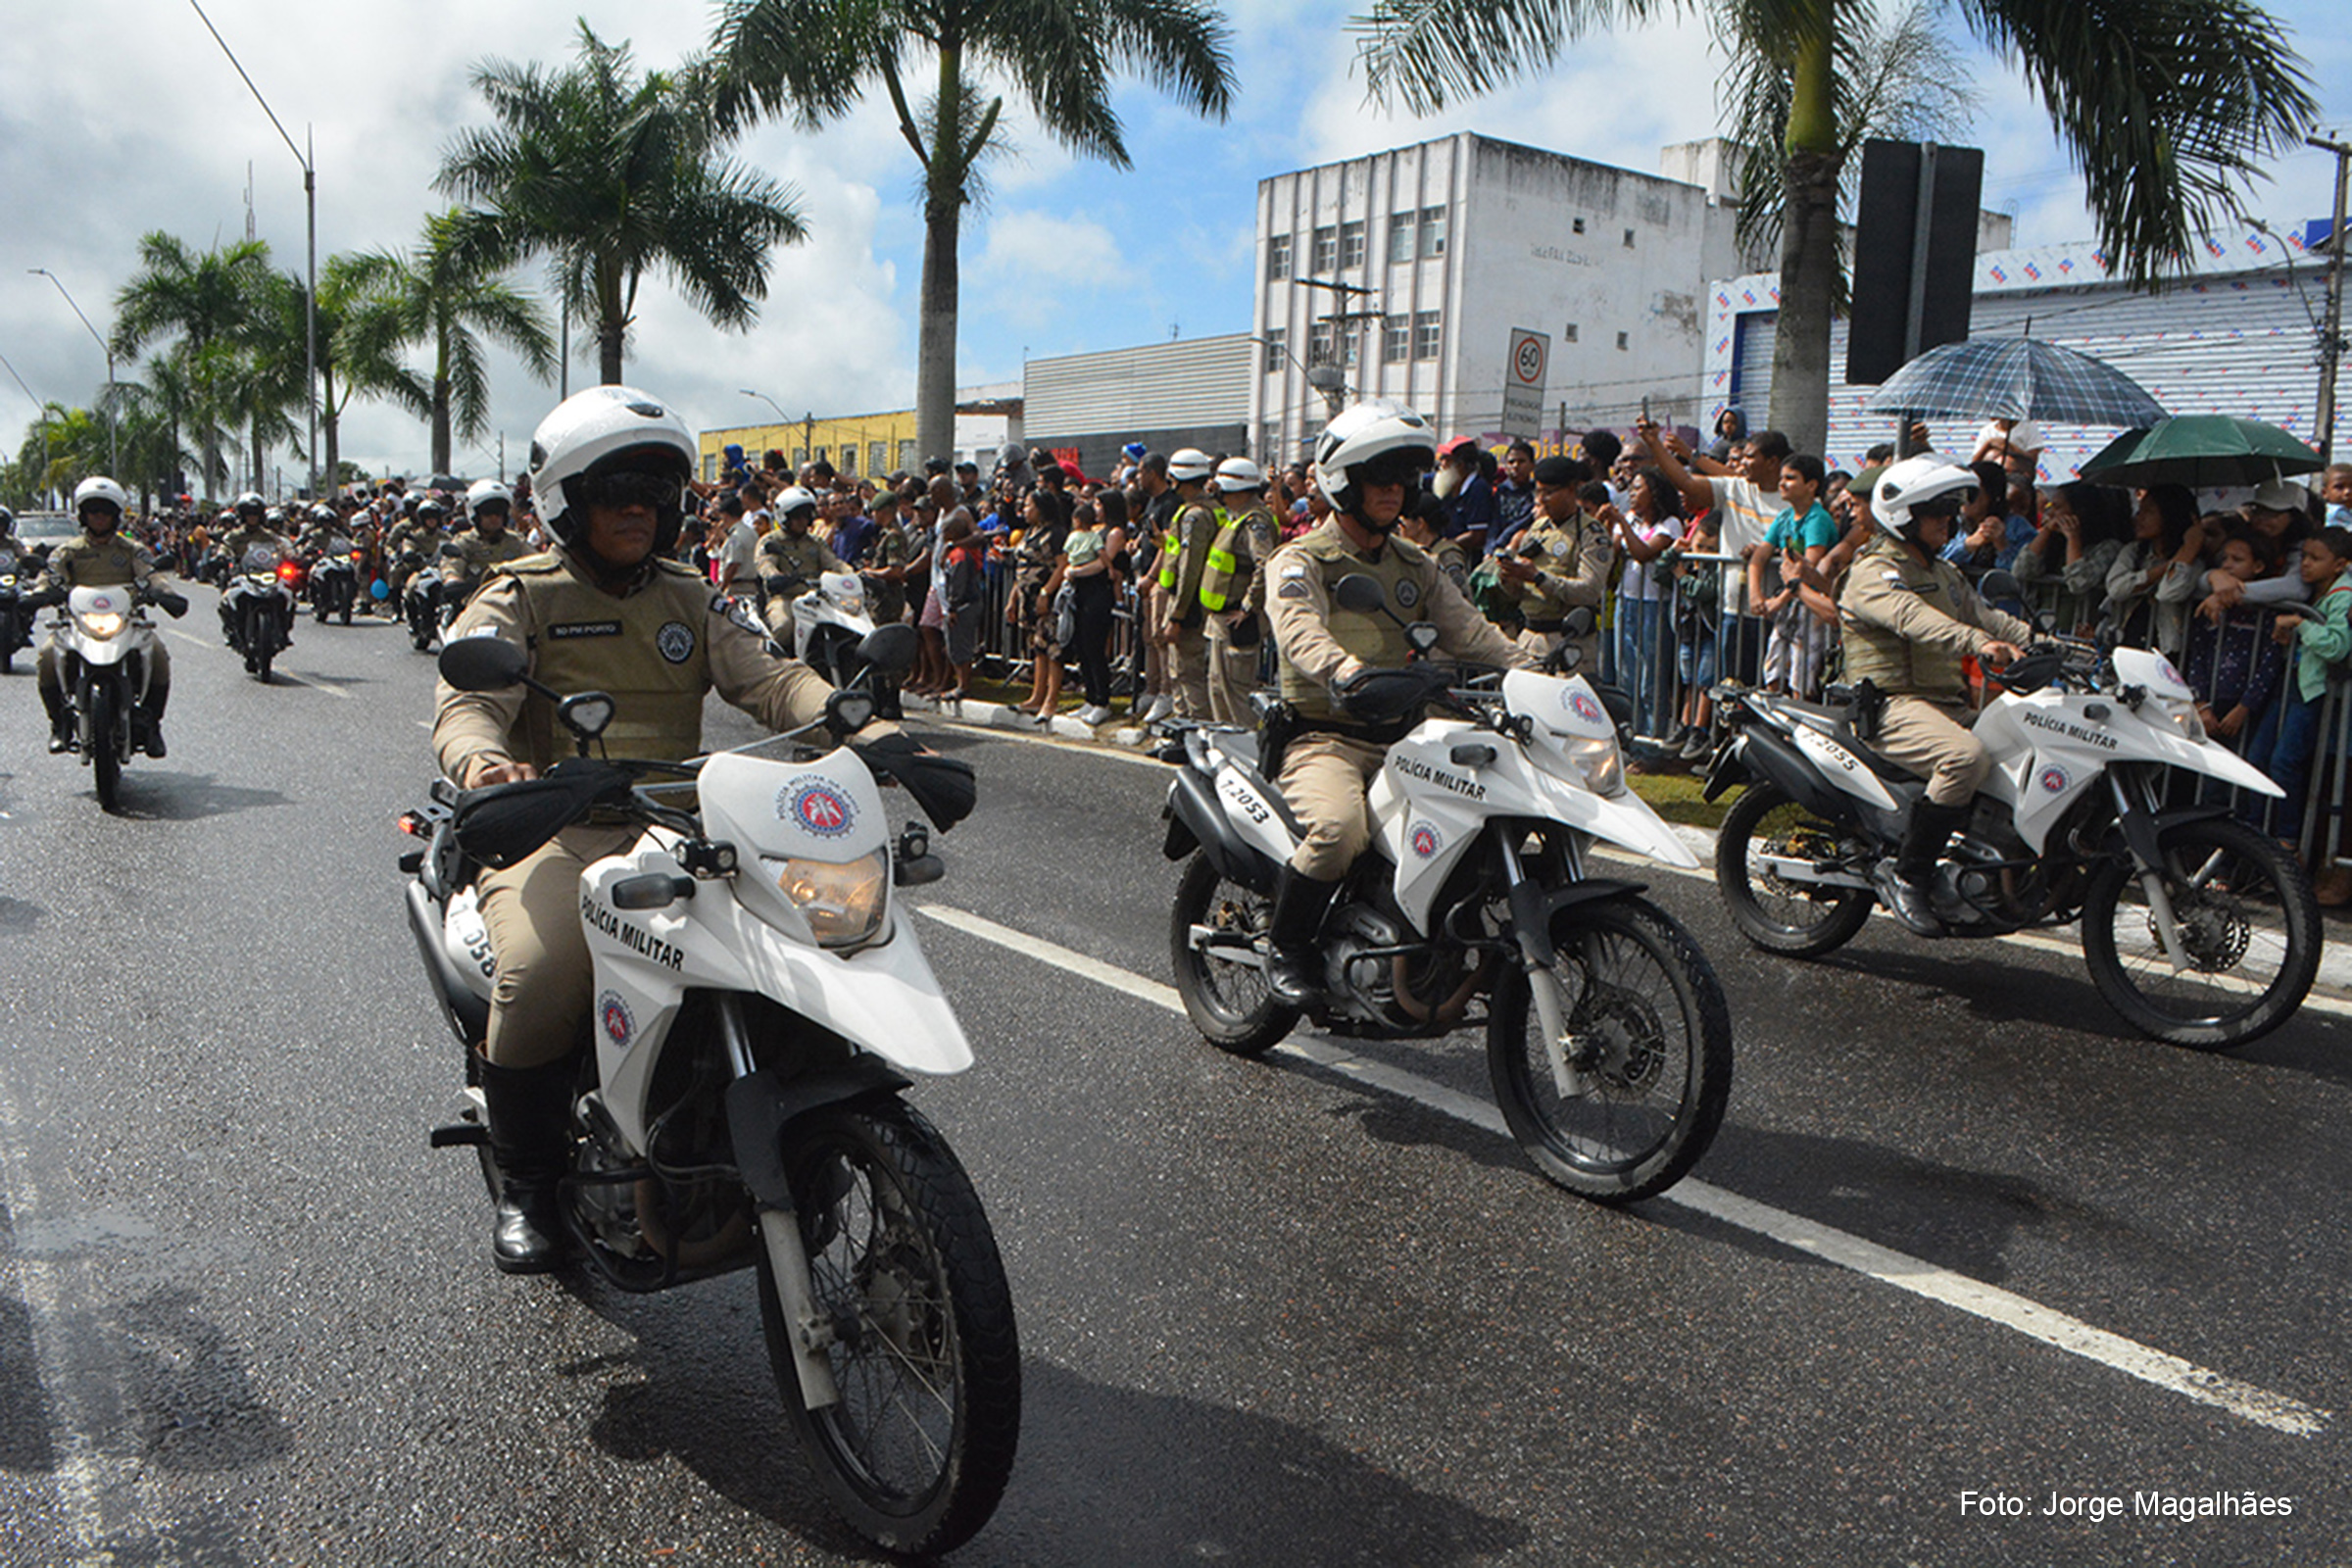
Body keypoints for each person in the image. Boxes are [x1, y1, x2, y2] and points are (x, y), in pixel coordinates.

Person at [432, 385, 844, 1273]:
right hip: (560, 827)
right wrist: (487, 765)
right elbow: (467, 704)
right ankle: (530, 1182)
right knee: (545, 975)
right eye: (618, 490)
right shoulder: (523, 595)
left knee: (814, 944)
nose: (639, 510)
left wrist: (856, 720)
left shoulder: (691, 598)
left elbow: (772, 682)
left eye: (656, 494)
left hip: (687, 828)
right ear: (566, 503)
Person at [1261, 401, 1533, 1005]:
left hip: (1409, 735)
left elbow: (1473, 634)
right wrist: (1347, 670)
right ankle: (1288, 947)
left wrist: (1539, 675)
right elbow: (1300, 631)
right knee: (1337, 833)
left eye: (1402, 476)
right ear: (1344, 482)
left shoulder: (1419, 564)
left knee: (1489, 811)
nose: (1394, 488)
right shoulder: (1301, 559)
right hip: (1325, 734)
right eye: (1379, 475)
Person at [1838, 455, 2034, 934]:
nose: (1949, 521)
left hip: (1945, 704)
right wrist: (1977, 643)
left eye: (1951, 511)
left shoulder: (1945, 573)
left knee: (2024, 747)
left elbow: (1988, 617)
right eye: (1937, 512)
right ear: (1904, 516)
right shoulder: (1875, 572)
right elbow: (1913, 618)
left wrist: (2049, 644)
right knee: (1964, 759)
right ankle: (1909, 875)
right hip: (1892, 705)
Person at [34, 476, 185, 757]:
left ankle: (153, 725)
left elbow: (151, 575)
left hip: (125, 622)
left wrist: (166, 594)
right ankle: (58, 724)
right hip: (79, 625)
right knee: (46, 656)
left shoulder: (131, 550)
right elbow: (50, 575)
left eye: (105, 511)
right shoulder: (69, 551)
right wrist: (40, 593)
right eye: (93, 511)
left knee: (159, 654)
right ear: (83, 515)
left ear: (115, 515)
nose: (99, 517)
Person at [1495, 455, 1610, 671]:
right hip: (1531, 639)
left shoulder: (1589, 533)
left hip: (1569, 644)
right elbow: (1517, 595)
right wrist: (1510, 579)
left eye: (1549, 492)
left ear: (1570, 490)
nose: (1543, 499)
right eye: (1538, 492)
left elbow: (1589, 590)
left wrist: (1538, 578)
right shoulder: (1537, 529)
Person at [1199, 457, 1283, 725]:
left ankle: (1245, 754)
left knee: (1235, 696)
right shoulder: (1238, 518)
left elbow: (1265, 564)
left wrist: (1248, 606)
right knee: (1217, 690)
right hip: (1220, 620)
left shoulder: (1254, 522)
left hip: (1237, 621)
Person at [1154, 449, 1221, 718]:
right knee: (1178, 671)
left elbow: (1189, 567)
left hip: (1189, 605)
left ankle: (1196, 732)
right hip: (1192, 601)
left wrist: (1177, 616)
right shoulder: (1208, 510)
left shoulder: (1195, 515)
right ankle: (1183, 732)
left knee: (1188, 674)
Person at [757, 487, 847, 649]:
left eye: (805, 515)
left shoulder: (815, 543)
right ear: (784, 517)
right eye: (796, 516)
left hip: (816, 598)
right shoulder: (772, 541)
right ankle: (775, 666)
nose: (802, 520)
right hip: (786, 598)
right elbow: (765, 563)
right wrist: (775, 577)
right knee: (783, 626)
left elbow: (834, 563)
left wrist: (852, 575)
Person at [448, 479, 534, 604]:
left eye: (499, 512)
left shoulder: (516, 541)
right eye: (488, 512)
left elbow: (536, 561)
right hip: (474, 604)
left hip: (513, 604)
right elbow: (452, 566)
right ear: (475, 514)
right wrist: (453, 580)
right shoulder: (464, 542)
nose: (494, 518)